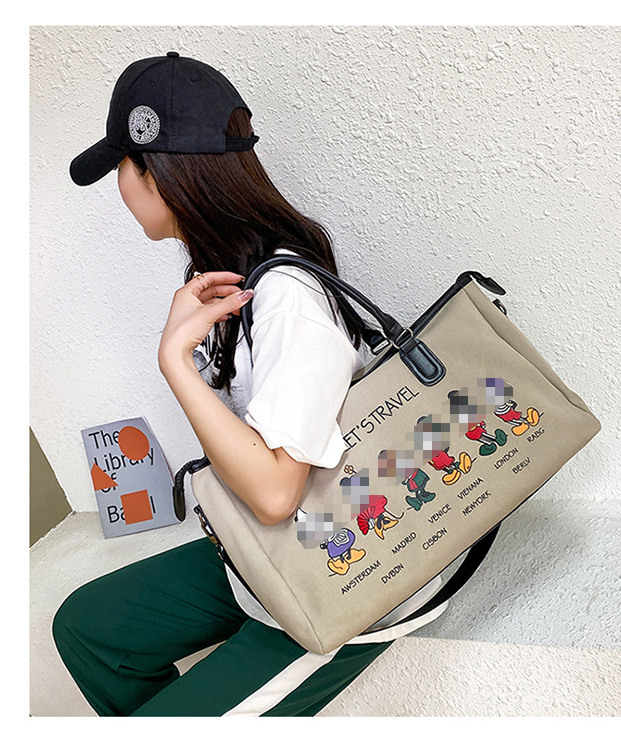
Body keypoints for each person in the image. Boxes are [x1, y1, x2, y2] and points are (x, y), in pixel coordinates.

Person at [52, 52, 447, 717]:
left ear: (158, 171)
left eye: (123, 164)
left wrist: (174, 362)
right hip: (280, 546)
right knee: (88, 627)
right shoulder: (233, 280)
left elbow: (273, 492)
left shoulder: (286, 294)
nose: (119, 184)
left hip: (350, 569)